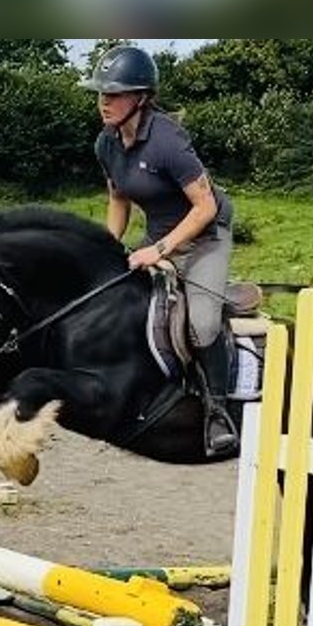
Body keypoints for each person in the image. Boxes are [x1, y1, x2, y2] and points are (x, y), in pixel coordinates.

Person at [80, 44, 238, 457]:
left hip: (204, 238)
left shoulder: (168, 140)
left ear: (141, 98)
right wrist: (105, 248)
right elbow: (119, 201)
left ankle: (217, 413)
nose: (104, 102)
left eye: (113, 94)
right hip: (158, 241)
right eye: (101, 93)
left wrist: (160, 249)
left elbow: (205, 207)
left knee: (202, 321)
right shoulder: (106, 144)